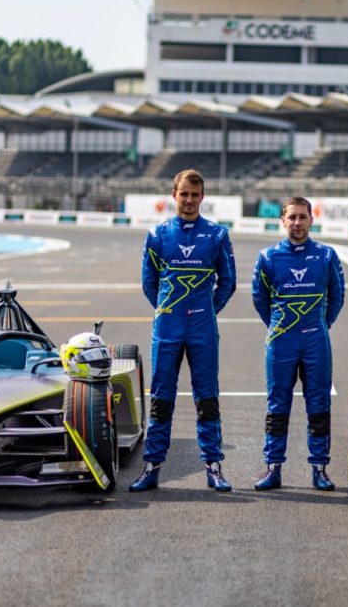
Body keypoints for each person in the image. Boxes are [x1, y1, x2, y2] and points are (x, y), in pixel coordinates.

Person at [129, 169, 237, 492]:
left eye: (194, 195)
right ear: (173, 196)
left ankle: (213, 467)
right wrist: (168, 309)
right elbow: (149, 282)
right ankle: (152, 467)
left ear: (202, 197)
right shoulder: (157, 235)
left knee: (207, 398)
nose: (189, 200)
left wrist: (207, 310)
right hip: (167, 328)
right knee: (161, 399)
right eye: (184, 194)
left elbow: (228, 282)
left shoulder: (217, 235)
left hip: (203, 328)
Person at [251, 196, 345, 491]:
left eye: (302, 217)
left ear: (311, 220)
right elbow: (259, 299)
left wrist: (320, 325)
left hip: (316, 339)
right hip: (281, 341)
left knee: (319, 404)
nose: (297, 222)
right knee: (277, 404)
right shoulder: (268, 257)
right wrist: (280, 327)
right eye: (291, 217)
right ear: (283, 220)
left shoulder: (327, 255)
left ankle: (319, 469)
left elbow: (337, 296)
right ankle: (273, 468)